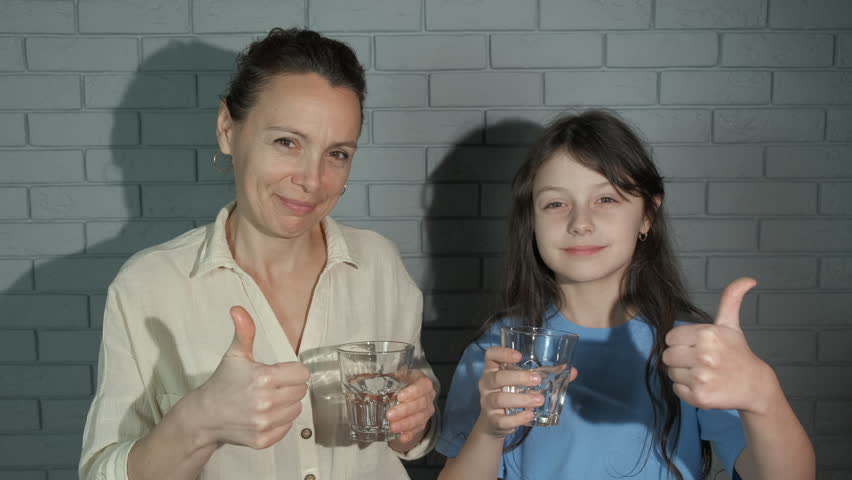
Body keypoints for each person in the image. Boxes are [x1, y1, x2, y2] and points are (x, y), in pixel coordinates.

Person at [79, 28, 438, 480]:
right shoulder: (148, 287)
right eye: (287, 142)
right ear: (228, 130)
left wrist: (413, 421)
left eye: (338, 153)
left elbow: (410, 433)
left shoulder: (380, 265)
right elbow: (100, 473)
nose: (312, 179)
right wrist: (198, 419)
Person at [436, 110, 815, 480]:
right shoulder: (498, 351)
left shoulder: (689, 349)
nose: (580, 223)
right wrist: (488, 429)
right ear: (531, 222)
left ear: (648, 215)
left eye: (607, 199)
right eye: (555, 203)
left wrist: (762, 396)